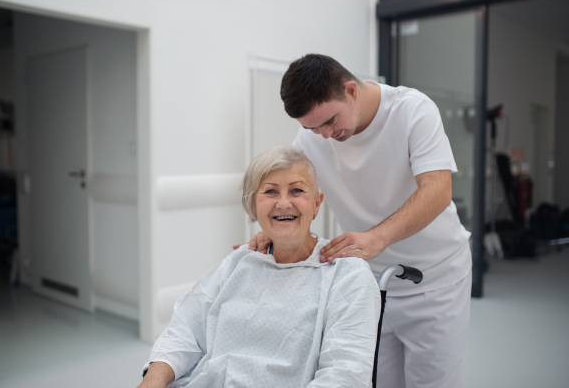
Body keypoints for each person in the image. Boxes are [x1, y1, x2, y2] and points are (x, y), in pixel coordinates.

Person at [242, 54, 472, 388]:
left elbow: (438, 189)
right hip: (371, 283)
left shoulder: (412, 111)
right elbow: (292, 190)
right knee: (377, 379)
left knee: (432, 382)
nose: (324, 134)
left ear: (350, 90)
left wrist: (378, 237)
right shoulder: (312, 138)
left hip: (436, 281)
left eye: (330, 120)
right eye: (312, 127)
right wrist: (271, 231)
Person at [138, 145, 381, 388]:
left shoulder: (346, 275)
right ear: (254, 205)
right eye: (270, 192)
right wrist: (153, 381)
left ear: (317, 204)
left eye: (297, 190)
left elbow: (345, 376)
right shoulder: (240, 261)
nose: (284, 203)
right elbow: (184, 330)